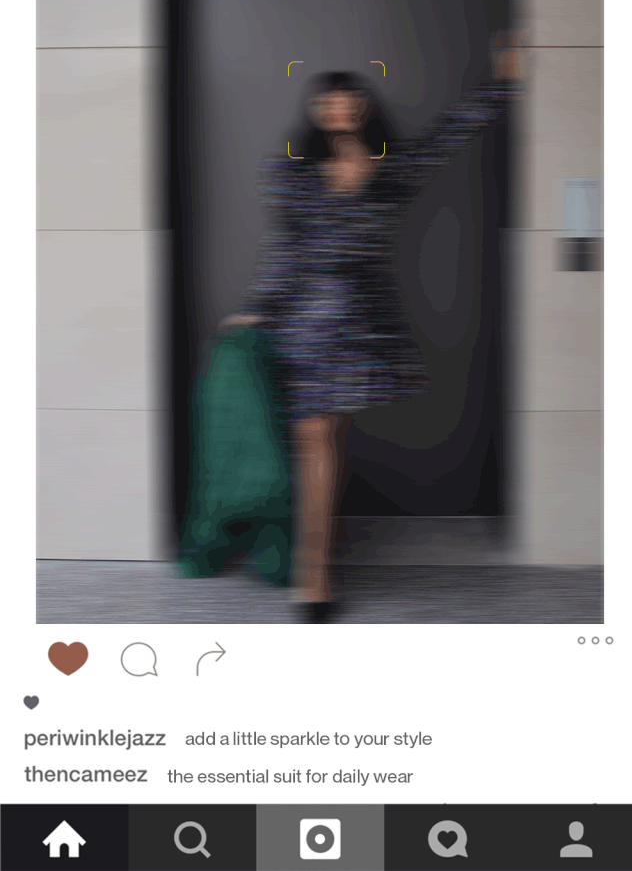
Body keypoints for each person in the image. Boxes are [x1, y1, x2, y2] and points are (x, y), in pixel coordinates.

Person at [219, 33, 526, 622]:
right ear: (316, 110)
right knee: (314, 435)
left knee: (329, 435)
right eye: (329, 99)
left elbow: (451, 132)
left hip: (360, 320)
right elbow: (284, 249)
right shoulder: (289, 173)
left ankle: (318, 554)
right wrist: (258, 305)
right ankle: (313, 574)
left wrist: (503, 83)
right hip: (303, 321)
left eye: (350, 98)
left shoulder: (394, 168)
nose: (339, 107)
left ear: (363, 109)